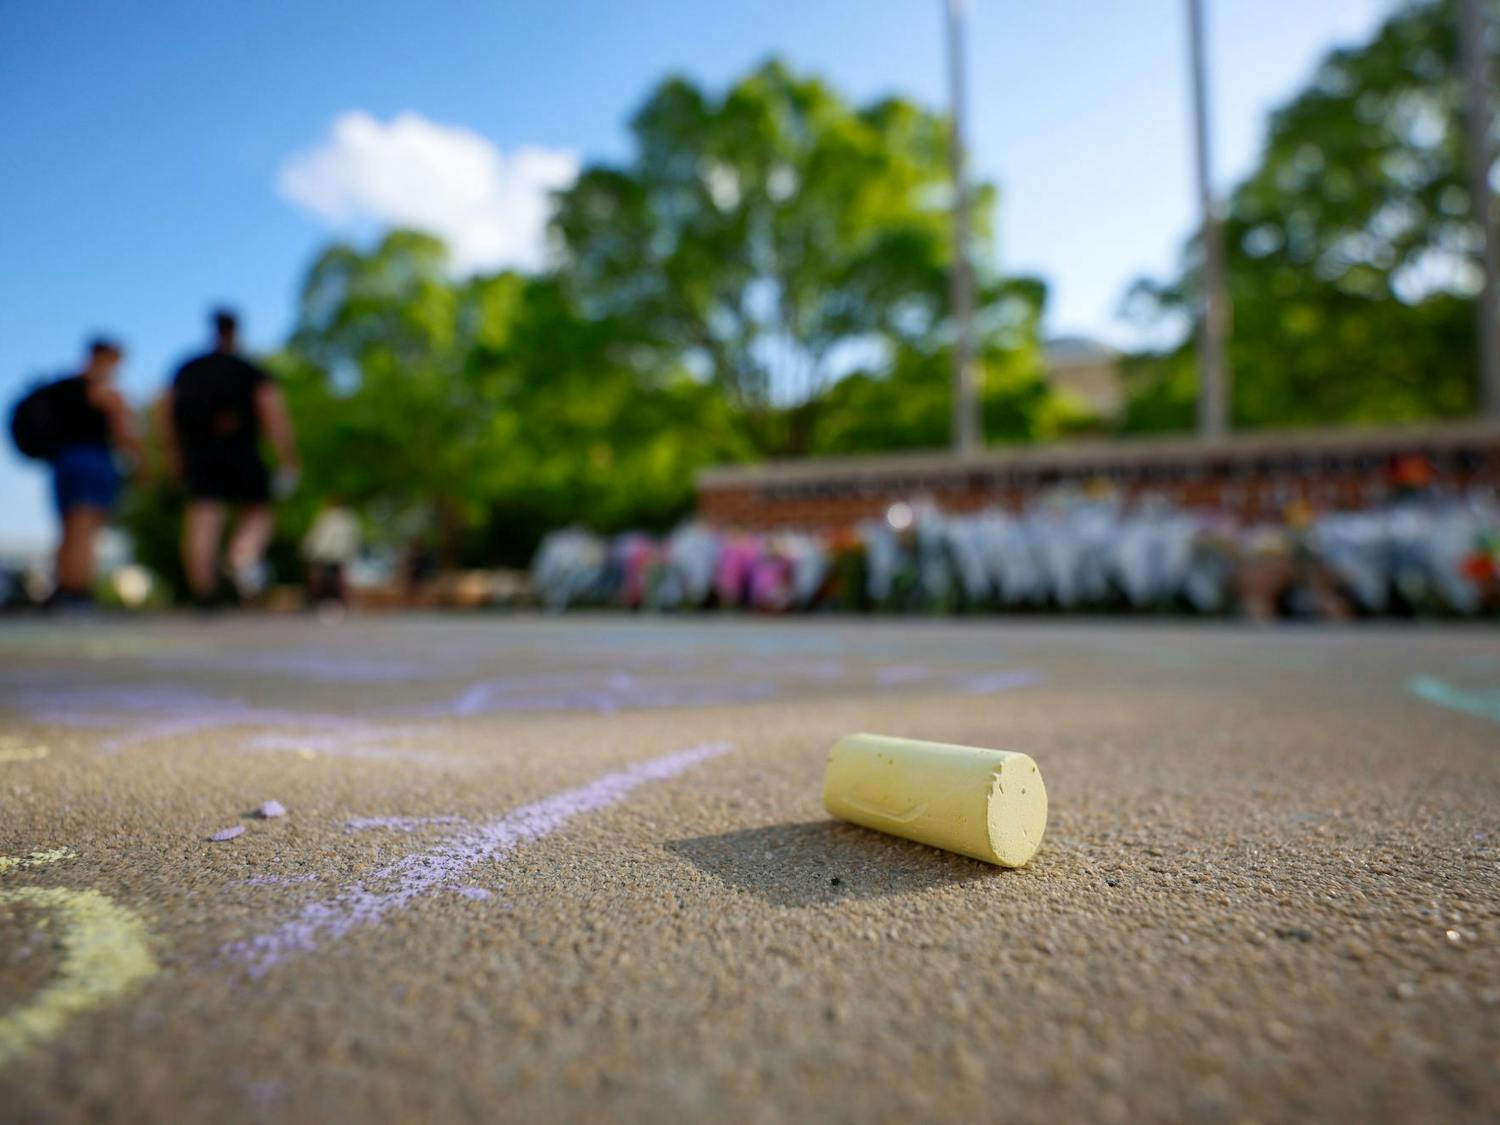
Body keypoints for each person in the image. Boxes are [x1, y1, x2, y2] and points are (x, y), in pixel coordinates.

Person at [157, 309, 298, 606]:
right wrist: (287, 458)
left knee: (204, 517)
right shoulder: (248, 370)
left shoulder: (189, 369)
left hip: (200, 453)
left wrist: (174, 455)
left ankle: (204, 590)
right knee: (259, 511)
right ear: (236, 332)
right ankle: (241, 556)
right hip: (242, 450)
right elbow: (273, 412)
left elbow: (166, 413)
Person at [36, 338, 141, 609]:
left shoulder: (62, 387)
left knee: (69, 527)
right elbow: (123, 432)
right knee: (86, 527)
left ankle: (63, 585)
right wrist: (141, 461)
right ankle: (77, 591)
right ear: (105, 356)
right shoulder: (102, 389)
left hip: (63, 461)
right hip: (92, 461)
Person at [301, 499, 360, 611]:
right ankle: (342, 603)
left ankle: (320, 602)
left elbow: (317, 537)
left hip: (325, 554)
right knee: (339, 580)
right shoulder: (347, 519)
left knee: (325, 579)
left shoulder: (327, 518)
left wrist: (310, 553)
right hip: (337, 554)